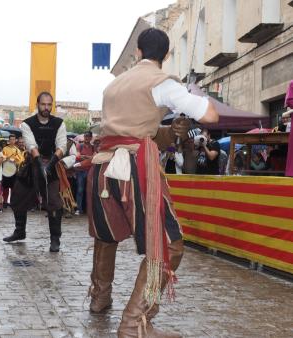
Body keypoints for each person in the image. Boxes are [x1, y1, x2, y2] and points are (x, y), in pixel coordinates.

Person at [86, 28, 219, 337]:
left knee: (105, 238)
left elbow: (131, 130)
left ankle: (99, 298)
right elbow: (210, 115)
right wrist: (192, 96)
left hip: (103, 168)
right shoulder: (162, 83)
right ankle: (134, 324)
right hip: (134, 168)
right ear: (166, 55)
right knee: (169, 244)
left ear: (138, 53)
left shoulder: (113, 85)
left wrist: (170, 132)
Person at [3, 92, 67, 253]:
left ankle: (55, 239)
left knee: (53, 202)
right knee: (17, 195)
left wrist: (50, 164)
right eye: (43, 104)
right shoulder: (27, 124)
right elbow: (31, 145)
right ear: (37, 104)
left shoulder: (59, 123)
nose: (46, 108)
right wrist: (39, 164)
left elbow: (62, 146)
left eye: (49, 104)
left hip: (51, 165)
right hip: (33, 164)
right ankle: (19, 231)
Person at [74, 131, 94, 215]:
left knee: (89, 190)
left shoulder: (93, 147)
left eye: (88, 136)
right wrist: (88, 158)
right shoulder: (80, 145)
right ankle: (79, 209)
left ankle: (89, 209)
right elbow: (78, 156)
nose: (87, 138)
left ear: (91, 138)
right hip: (81, 171)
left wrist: (84, 157)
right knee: (80, 190)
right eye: (85, 136)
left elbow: (95, 157)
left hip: (90, 171)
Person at [1, 134, 25, 208]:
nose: (12, 141)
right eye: (11, 139)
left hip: (14, 171)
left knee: (13, 188)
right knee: (5, 187)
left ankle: (12, 201)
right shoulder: (5, 149)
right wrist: (7, 158)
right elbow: (2, 158)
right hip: (6, 170)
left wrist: (15, 160)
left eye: (13, 139)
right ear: (9, 140)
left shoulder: (17, 150)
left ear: (15, 140)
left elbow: (21, 160)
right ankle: (5, 202)